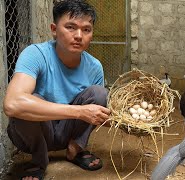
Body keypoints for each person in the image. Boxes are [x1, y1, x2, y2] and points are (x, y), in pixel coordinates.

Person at [3, 1, 111, 179]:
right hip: (36, 132)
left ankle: (74, 150)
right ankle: (39, 159)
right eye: (70, 27)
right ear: (54, 29)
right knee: (28, 100)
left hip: (68, 131)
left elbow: (96, 112)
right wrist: (79, 112)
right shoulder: (35, 54)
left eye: (86, 29)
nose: (78, 35)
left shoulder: (94, 66)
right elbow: (12, 104)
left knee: (99, 93)